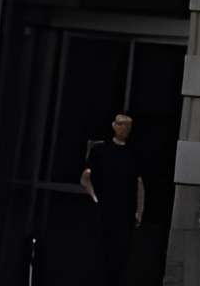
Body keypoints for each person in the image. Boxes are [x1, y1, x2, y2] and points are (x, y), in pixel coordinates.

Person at [81, 110, 144, 286]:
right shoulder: (100, 150)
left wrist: (139, 211)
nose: (125, 128)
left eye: (128, 125)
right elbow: (86, 177)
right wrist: (95, 198)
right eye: (121, 124)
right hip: (104, 211)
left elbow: (139, 183)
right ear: (114, 126)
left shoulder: (133, 154)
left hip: (124, 214)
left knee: (119, 256)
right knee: (100, 252)